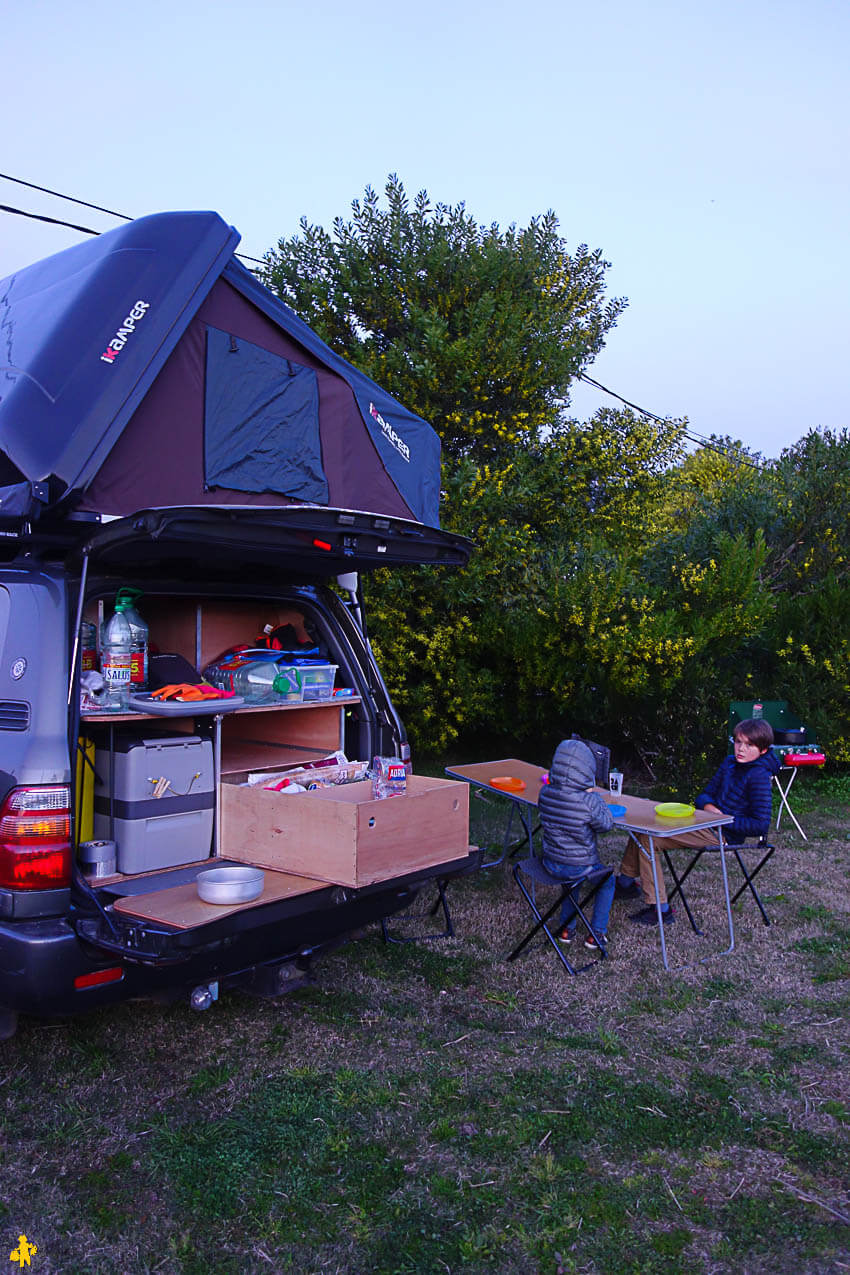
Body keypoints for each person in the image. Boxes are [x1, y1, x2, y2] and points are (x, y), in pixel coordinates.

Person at [616, 717, 780, 926]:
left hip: (723, 836)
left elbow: (760, 824)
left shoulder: (758, 775)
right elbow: (704, 796)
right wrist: (710, 809)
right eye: (738, 742)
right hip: (706, 822)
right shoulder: (729, 764)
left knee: (649, 838)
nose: (741, 749)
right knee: (643, 829)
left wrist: (723, 820)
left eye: (749, 745)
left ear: (763, 750)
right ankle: (625, 885)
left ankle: (660, 909)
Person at [537, 738, 616, 950]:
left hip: (550, 862)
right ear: (587, 770)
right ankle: (596, 933)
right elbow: (606, 824)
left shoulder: (545, 792)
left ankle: (566, 928)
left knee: (570, 883)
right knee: (607, 881)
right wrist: (597, 799)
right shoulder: (588, 801)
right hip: (581, 865)